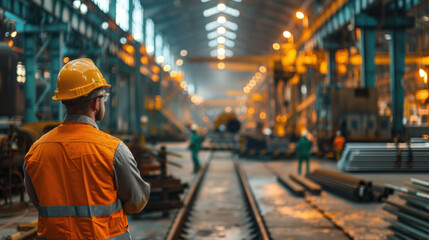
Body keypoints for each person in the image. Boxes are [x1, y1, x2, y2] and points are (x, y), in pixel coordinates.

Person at [23, 58, 150, 239]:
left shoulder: (36, 151)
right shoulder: (113, 150)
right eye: (103, 97)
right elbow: (136, 203)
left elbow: (38, 201)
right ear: (95, 103)